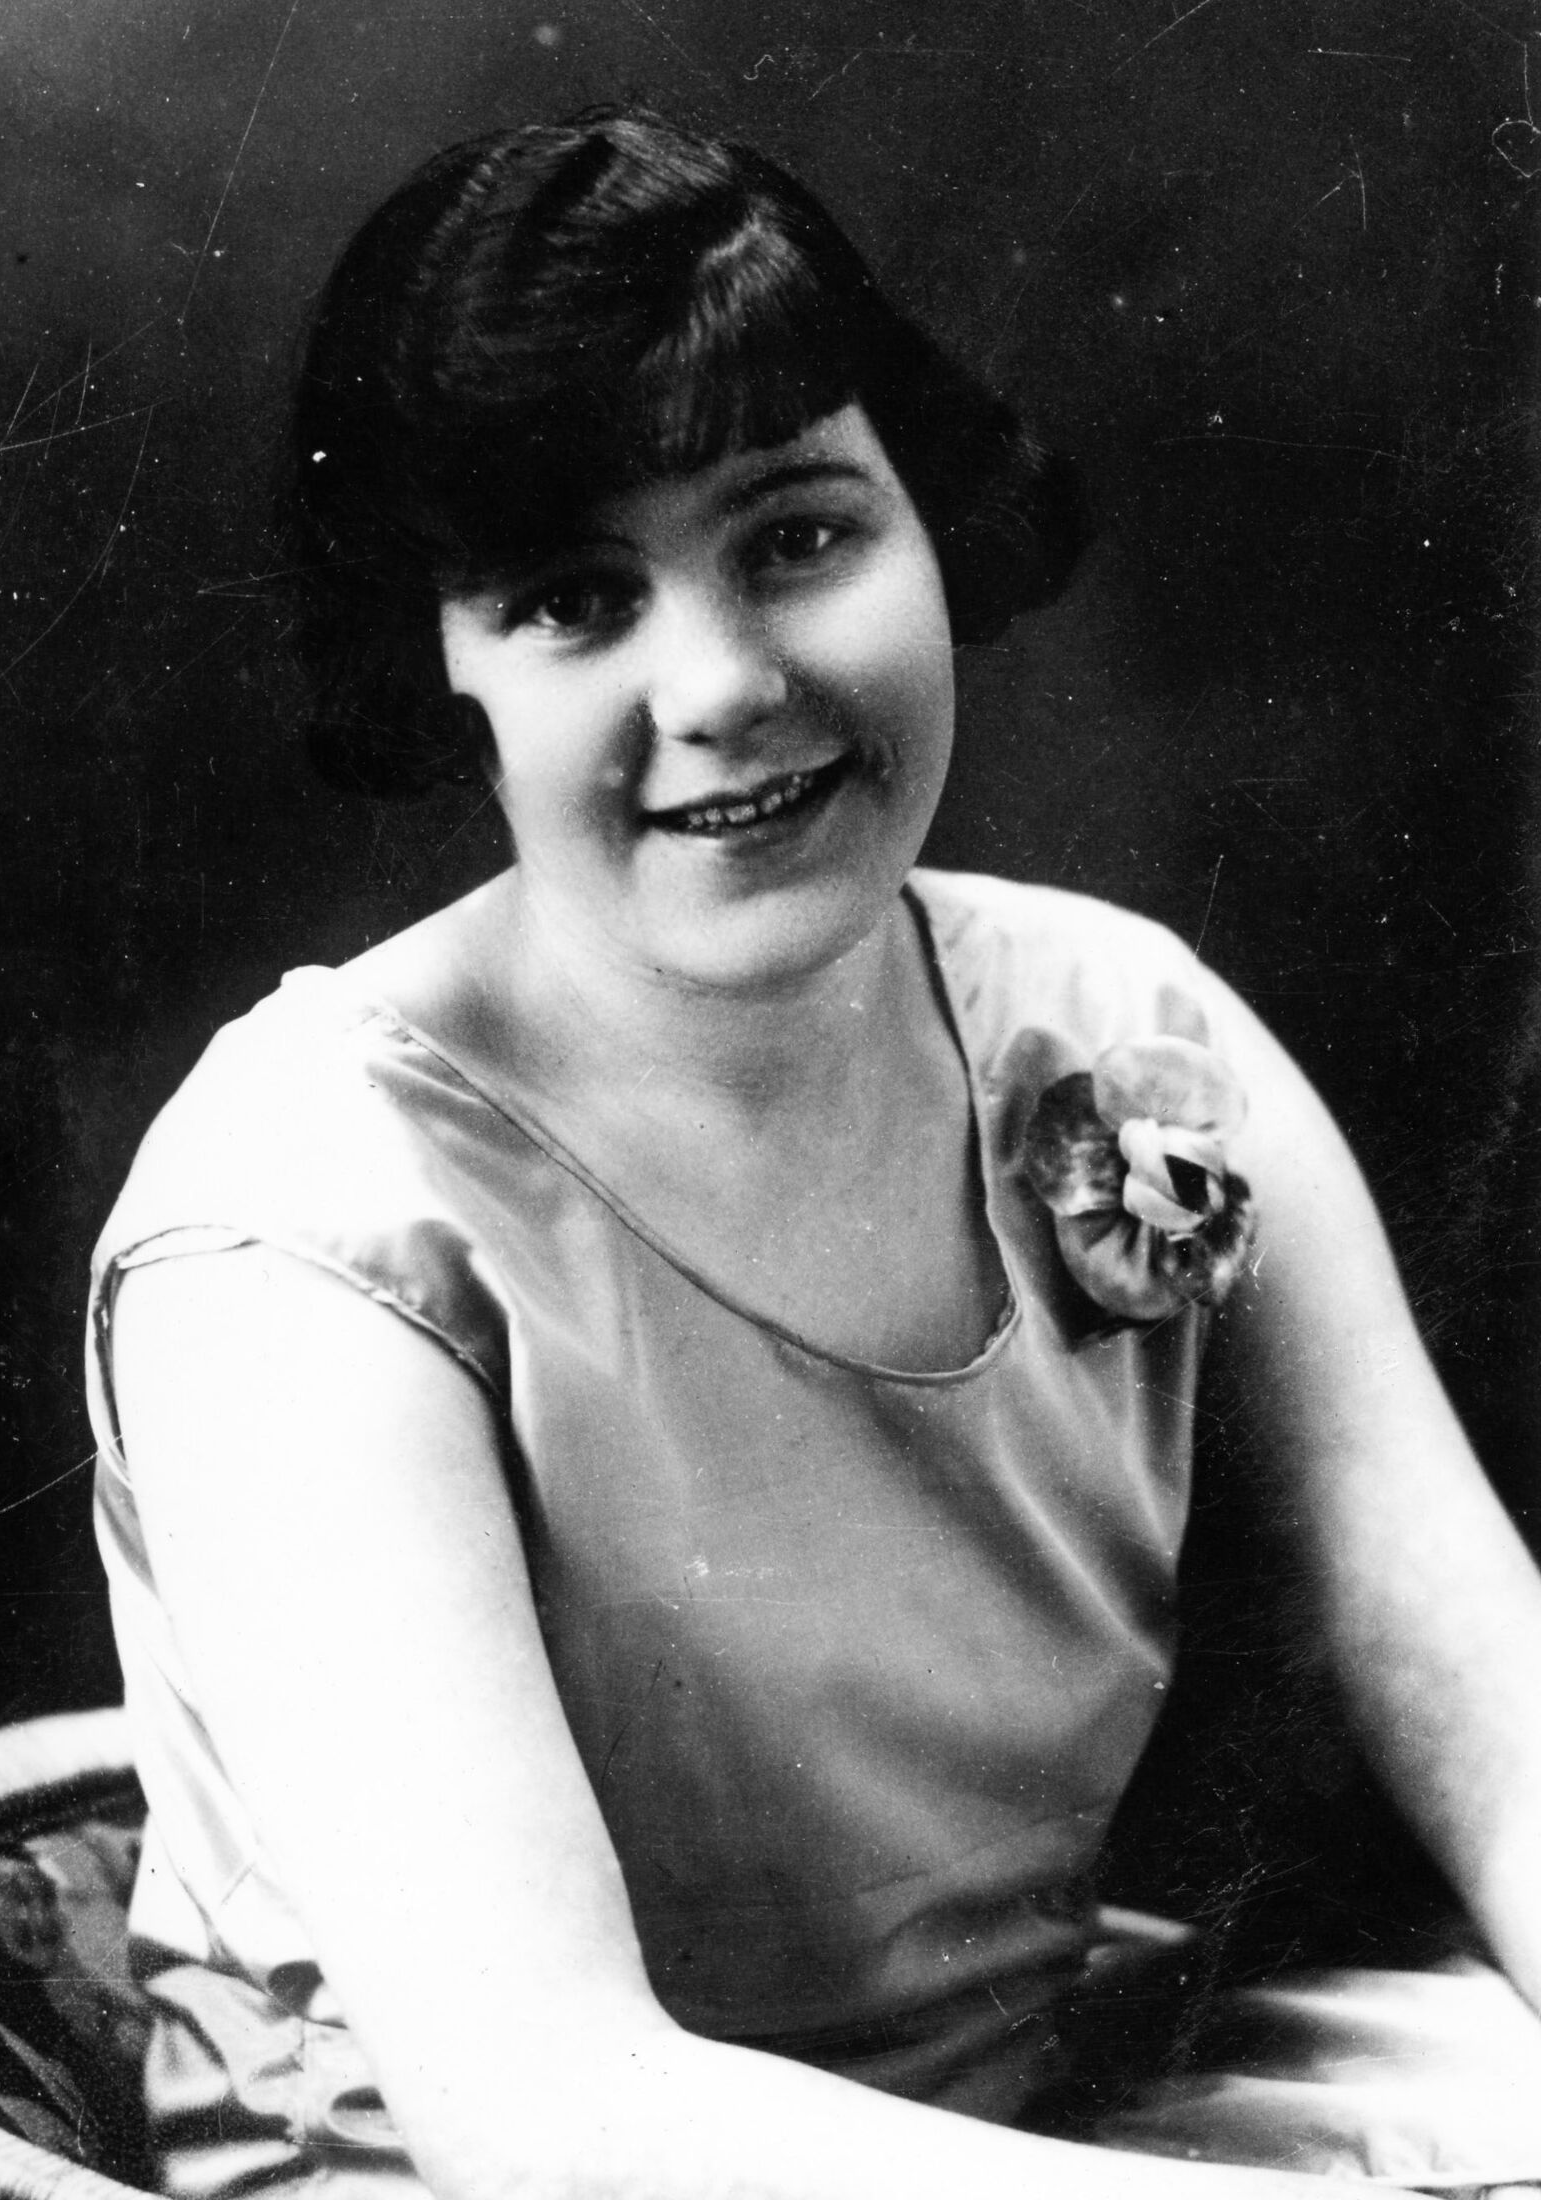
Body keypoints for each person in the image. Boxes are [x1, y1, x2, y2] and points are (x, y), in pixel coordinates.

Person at [88, 106, 1541, 2200]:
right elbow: (548, 2115)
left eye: (794, 536)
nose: (723, 685)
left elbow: (1481, 1677)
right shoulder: (307, 1225)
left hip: (1010, 2140)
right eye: (576, 598)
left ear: (926, 521)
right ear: (438, 665)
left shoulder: (1116, 1030)